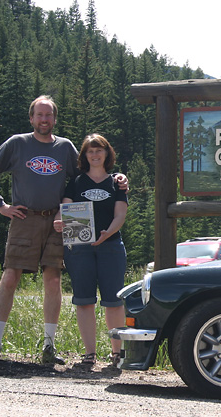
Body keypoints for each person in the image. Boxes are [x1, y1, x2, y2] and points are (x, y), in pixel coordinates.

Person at [0, 96, 127, 364]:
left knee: (53, 280)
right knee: (10, 276)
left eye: (49, 115)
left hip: (60, 220)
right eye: (39, 115)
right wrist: (1, 206)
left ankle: (49, 346)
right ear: (31, 118)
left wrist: (117, 179)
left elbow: (89, 172)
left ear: (55, 119)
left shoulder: (65, 147)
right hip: (25, 217)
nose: (44, 120)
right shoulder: (17, 143)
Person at [53, 134, 128, 367]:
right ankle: (89, 354)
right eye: (90, 151)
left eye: (99, 150)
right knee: (84, 300)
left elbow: (120, 214)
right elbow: (64, 210)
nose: (95, 155)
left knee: (114, 301)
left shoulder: (117, 182)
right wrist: (58, 221)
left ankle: (117, 354)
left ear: (107, 153)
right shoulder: (76, 182)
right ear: (84, 155)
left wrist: (108, 232)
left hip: (111, 246)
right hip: (79, 248)